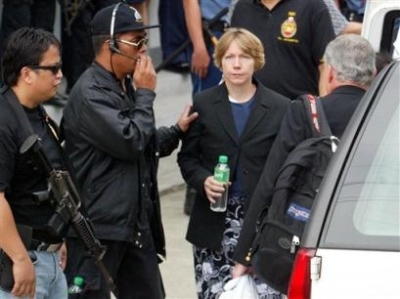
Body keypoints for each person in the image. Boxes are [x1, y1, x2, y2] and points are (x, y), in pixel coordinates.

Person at [61, 3, 197, 299]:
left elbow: (143, 139)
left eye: (145, 41)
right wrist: (146, 94)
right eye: (136, 41)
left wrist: (176, 131)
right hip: (99, 230)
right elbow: (132, 141)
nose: (143, 50)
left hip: (133, 226)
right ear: (110, 45)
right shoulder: (90, 94)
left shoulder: (124, 84)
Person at [231, 34, 376, 280]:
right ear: (373, 74)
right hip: (366, 234)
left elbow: (272, 180)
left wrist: (245, 252)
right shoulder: (384, 114)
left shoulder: (305, 112)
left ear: (330, 73)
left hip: (309, 236)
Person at [177, 27, 291, 299]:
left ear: (257, 61)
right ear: (220, 61)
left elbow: (288, 168)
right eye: (229, 57)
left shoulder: (281, 107)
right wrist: (203, 180)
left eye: (244, 57)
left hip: (262, 224)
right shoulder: (203, 103)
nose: (237, 64)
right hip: (214, 224)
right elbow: (187, 158)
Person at [0, 27, 67, 299]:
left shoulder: (38, 113)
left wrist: (58, 239)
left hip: (47, 260)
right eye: (53, 69)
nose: (60, 75)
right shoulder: (4, 121)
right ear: (26, 74)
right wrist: (20, 259)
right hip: (20, 268)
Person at [182, 0, 235, 216]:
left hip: (240, 35)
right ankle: (196, 186)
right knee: (206, 111)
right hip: (212, 34)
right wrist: (199, 46)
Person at [231, 0, 335, 100]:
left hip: (297, 108)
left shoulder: (313, 6)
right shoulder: (242, 8)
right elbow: (232, 59)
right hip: (251, 107)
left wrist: (323, 110)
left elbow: (326, 66)